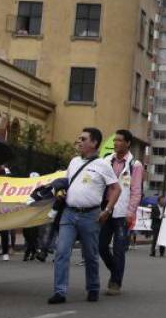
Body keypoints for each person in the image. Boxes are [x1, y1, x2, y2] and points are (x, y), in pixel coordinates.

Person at [48, 128, 120, 304]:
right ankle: (60, 292)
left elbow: (116, 188)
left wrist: (108, 210)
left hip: (91, 216)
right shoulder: (73, 162)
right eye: (79, 138)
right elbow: (67, 182)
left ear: (94, 143)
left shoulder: (103, 165)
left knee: (90, 255)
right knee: (62, 252)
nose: (79, 141)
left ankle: (93, 287)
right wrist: (62, 192)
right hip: (69, 214)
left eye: (83, 139)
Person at [100, 129, 143, 295]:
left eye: (119, 140)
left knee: (119, 248)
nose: (115, 143)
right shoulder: (106, 161)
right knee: (101, 246)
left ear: (128, 143)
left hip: (122, 212)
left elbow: (136, 190)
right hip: (106, 209)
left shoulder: (135, 165)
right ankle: (115, 271)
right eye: (115, 140)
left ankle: (115, 283)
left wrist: (130, 212)